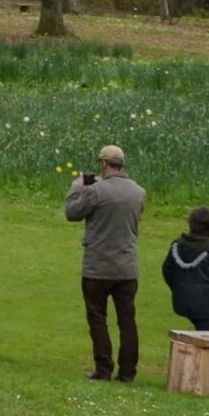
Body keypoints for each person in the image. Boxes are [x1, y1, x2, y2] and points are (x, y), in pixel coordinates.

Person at [63, 143, 147, 381]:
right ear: (122, 164)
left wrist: (76, 188)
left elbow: (72, 213)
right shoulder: (139, 192)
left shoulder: (95, 191)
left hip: (97, 267)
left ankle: (103, 368)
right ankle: (128, 372)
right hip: (127, 268)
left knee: (98, 318)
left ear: (103, 163)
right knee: (127, 321)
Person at [161, 205, 209, 332]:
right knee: (205, 336)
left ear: (190, 224)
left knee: (199, 332)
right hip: (205, 305)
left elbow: (167, 270)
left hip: (182, 301)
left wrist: (178, 289)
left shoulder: (177, 245)